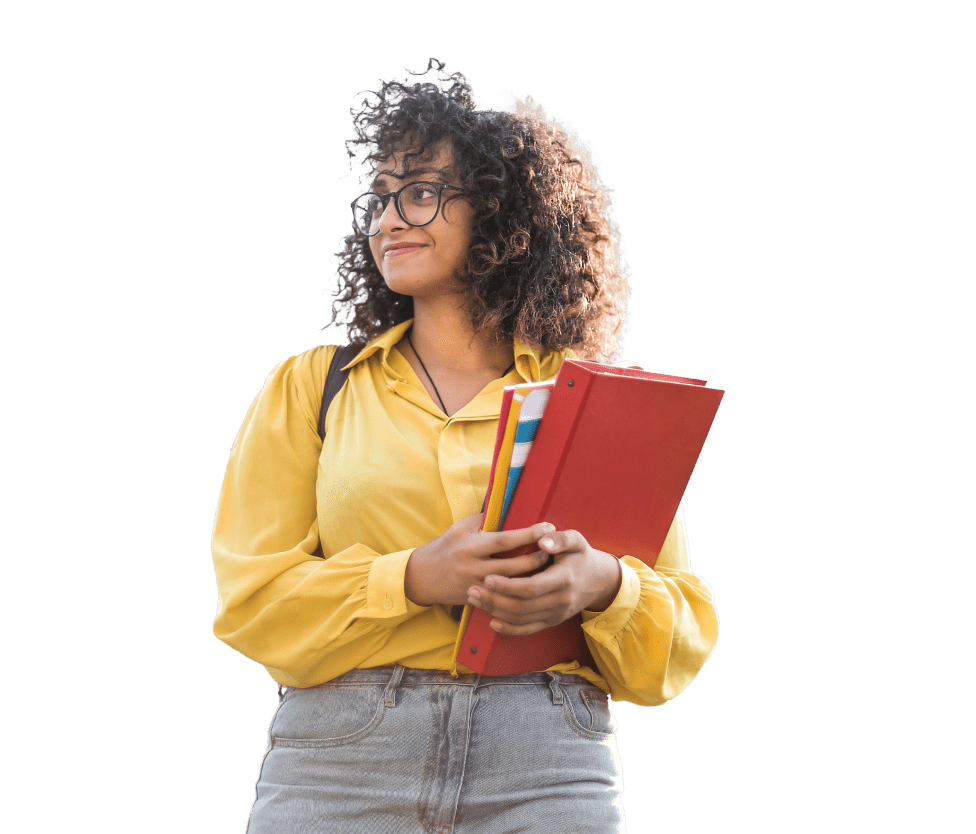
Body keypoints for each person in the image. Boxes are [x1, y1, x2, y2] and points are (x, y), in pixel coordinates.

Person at [212, 58, 719, 834]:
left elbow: (677, 636)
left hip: (548, 758)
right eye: (378, 198)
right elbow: (251, 604)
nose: (386, 219)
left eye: (419, 192)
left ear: (502, 213)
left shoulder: (597, 403)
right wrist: (411, 577)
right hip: (342, 757)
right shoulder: (310, 388)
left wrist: (604, 586)